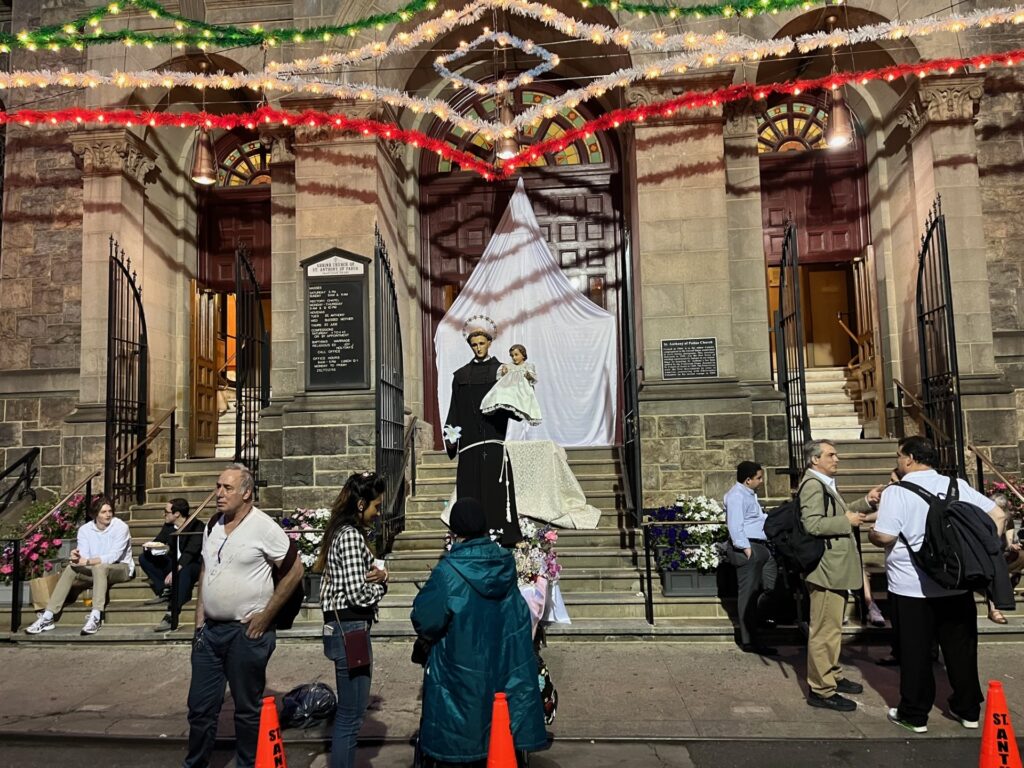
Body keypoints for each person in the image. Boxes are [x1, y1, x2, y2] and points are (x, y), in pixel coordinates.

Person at [869, 437, 1004, 733]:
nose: (898, 460)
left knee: (915, 651)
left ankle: (914, 714)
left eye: (899, 455)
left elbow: (885, 536)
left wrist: (871, 534)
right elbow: (998, 514)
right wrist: (984, 552)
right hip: (957, 583)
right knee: (961, 651)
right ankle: (968, 710)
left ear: (910, 459)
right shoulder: (957, 486)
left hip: (911, 586)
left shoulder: (897, 491)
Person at [182, 463, 304, 768]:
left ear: (247, 492)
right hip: (210, 634)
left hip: (245, 634)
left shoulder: (263, 526)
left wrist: (266, 616)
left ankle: (248, 764)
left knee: (246, 710)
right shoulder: (212, 524)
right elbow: (206, 571)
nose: (219, 494)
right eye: (218, 486)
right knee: (200, 708)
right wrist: (199, 624)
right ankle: (195, 763)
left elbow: (295, 570)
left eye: (227, 488)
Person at [412, 497, 547, 766]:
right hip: (500, 665)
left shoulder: (448, 571)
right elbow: (519, 615)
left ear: (455, 530)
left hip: (457, 671)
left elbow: (425, 619)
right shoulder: (505, 565)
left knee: (460, 746)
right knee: (494, 740)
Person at [315, 471, 388, 768]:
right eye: (376, 506)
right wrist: (382, 583)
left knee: (352, 712)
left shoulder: (347, 533)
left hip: (350, 630)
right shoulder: (347, 536)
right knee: (350, 715)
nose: (378, 512)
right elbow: (358, 593)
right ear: (361, 504)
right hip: (350, 631)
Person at [799, 439, 878, 712]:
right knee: (824, 630)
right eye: (831, 455)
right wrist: (848, 522)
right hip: (826, 571)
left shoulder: (824, 483)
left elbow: (839, 512)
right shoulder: (812, 485)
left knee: (832, 629)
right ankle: (821, 689)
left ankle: (831, 674)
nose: (837, 459)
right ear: (814, 460)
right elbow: (812, 524)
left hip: (836, 569)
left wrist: (866, 502)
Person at [443, 324, 522, 546]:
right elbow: (454, 409)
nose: (478, 348)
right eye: (474, 344)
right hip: (469, 445)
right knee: (470, 492)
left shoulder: (502, 371)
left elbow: (512, 401)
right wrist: (452, 438)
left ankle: (504, 535)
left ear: (489, 343)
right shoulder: (461, 375)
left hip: (494, 440)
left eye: (482, 343)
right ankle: (470, 536)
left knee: (496, 490)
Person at [26, 496, 134, 636]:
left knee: (99, 567)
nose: (108, 514)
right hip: (96, 570)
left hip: (120, 568)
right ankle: (48, 616)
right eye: (103, 512)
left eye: (110, 511)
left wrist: (87, 562)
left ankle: (96, 616)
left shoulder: (120, 527)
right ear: (95, 514)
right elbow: (84, 556)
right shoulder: (85, 530)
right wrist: (76, 558)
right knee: (71, 567)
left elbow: (113, 557)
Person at [724, 460, 778, 655]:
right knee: (747, 595)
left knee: (769, 585)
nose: (762, 481)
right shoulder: (736, 496)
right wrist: (746, 549)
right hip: (749, 548)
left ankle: (761, 619)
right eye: (759, 478)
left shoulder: (749, 494)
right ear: (748, 480)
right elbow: (735, 524)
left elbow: (756, 517)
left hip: (762, 547)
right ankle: (750, 640)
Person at [139, 497, 204, 633]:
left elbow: (191, 553)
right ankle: (164, 589)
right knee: (145, 557)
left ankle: (172, 612)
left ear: (177, 514)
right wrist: (150, 547)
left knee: (184, 571)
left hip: (192, 565)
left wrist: (175, 570)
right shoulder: (169, 526)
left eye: (166, 512)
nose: (164, 514)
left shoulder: (197, 526)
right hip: (174, 563)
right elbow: (158, 541)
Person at [480, 343, 542, 426]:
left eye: (516, 355)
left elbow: (533, 378)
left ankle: (519, 409)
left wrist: (529, 375)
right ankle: (501, 403)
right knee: (500, 390)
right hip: (508, 386)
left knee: (522, 395)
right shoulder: (508, 366)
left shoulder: (527, 366)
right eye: (512, 356)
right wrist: (503, 372)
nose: (514, 357)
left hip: (521, 388)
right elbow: (500, 378)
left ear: (523, 355)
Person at [986, 493, 1022, 624]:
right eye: (998, 507)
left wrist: (1011, 545)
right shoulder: (984, 518)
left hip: (1002, 553)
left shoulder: (1008, 519)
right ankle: (994, 608)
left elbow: (1008, 541)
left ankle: (1007, 579)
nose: (1000, 510)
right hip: (988, 555)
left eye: (1003, 507)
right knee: (995, 570)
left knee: (1022, 556)